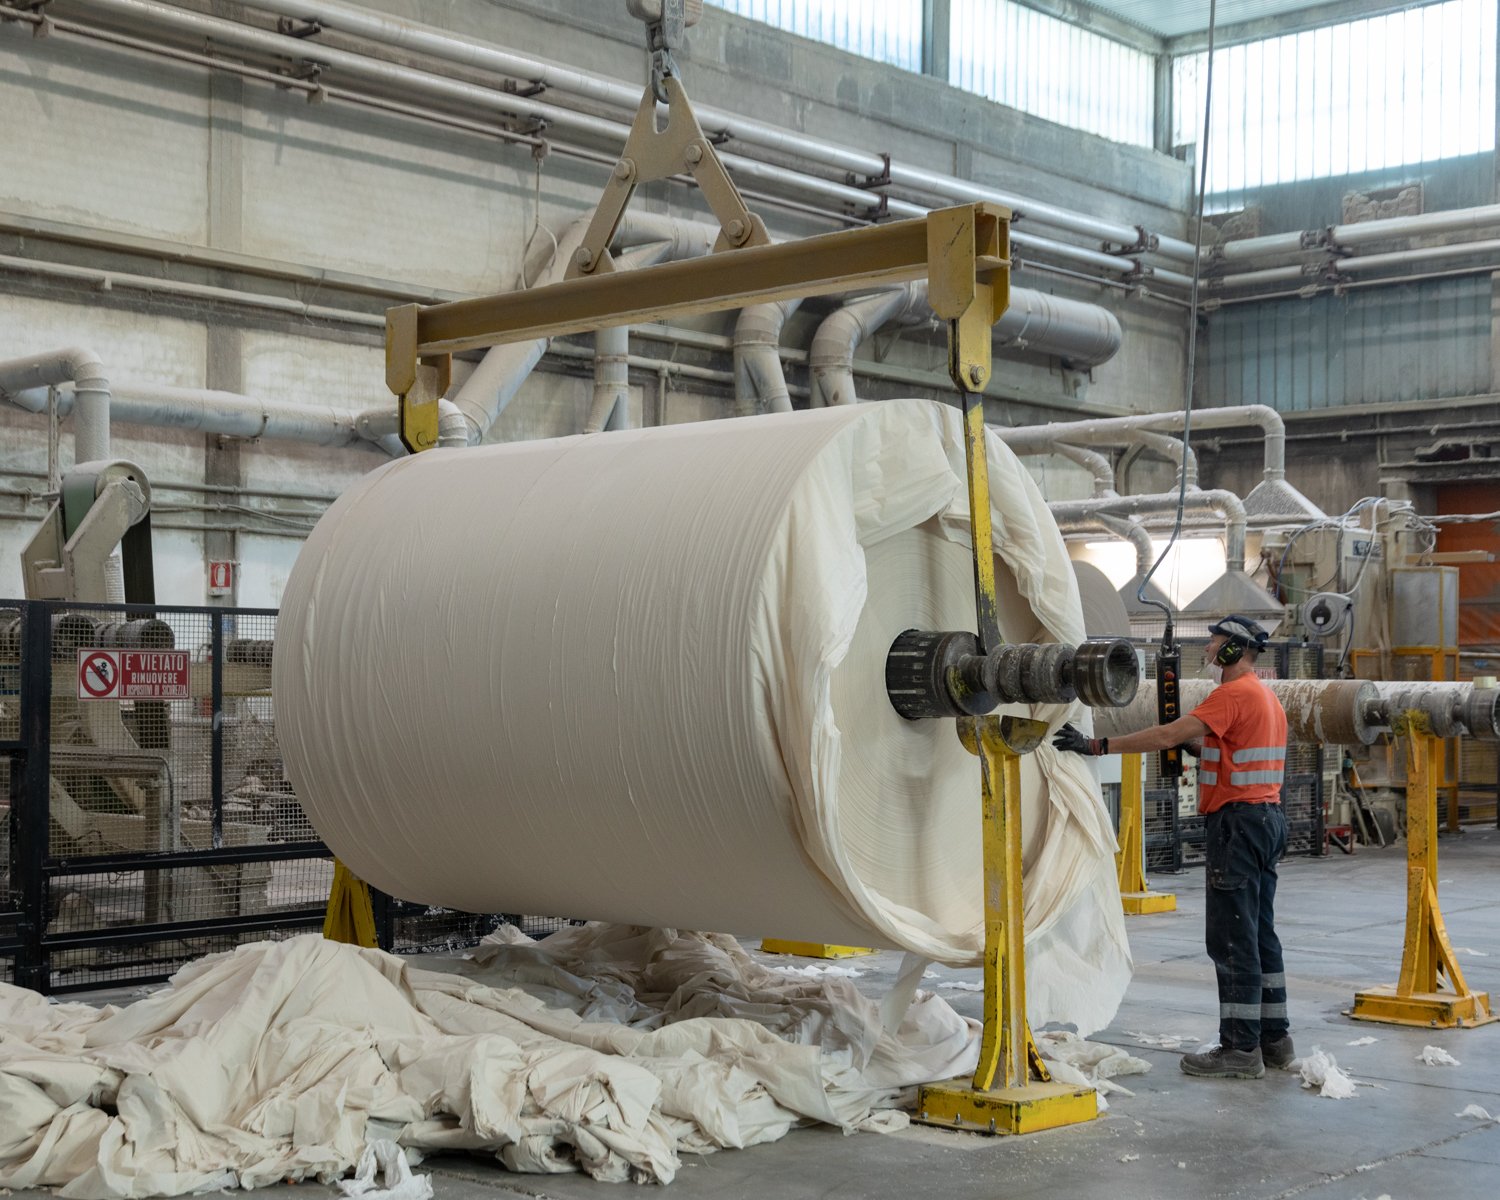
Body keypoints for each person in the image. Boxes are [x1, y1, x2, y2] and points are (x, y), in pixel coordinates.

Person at [1053, 615, 1291, 1080]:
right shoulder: (1267, 697)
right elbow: (1235, 752)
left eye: (1214, 644)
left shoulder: (1232, 694)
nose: (1207, 652)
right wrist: (1201, 753)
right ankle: (1275, 1040)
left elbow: (1164, 734)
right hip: (1267, 821)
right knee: (1261, 933)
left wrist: (1095, 745)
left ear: (1232, 651)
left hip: (1237, 826)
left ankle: (1240, 1049)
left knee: (1231, 938)